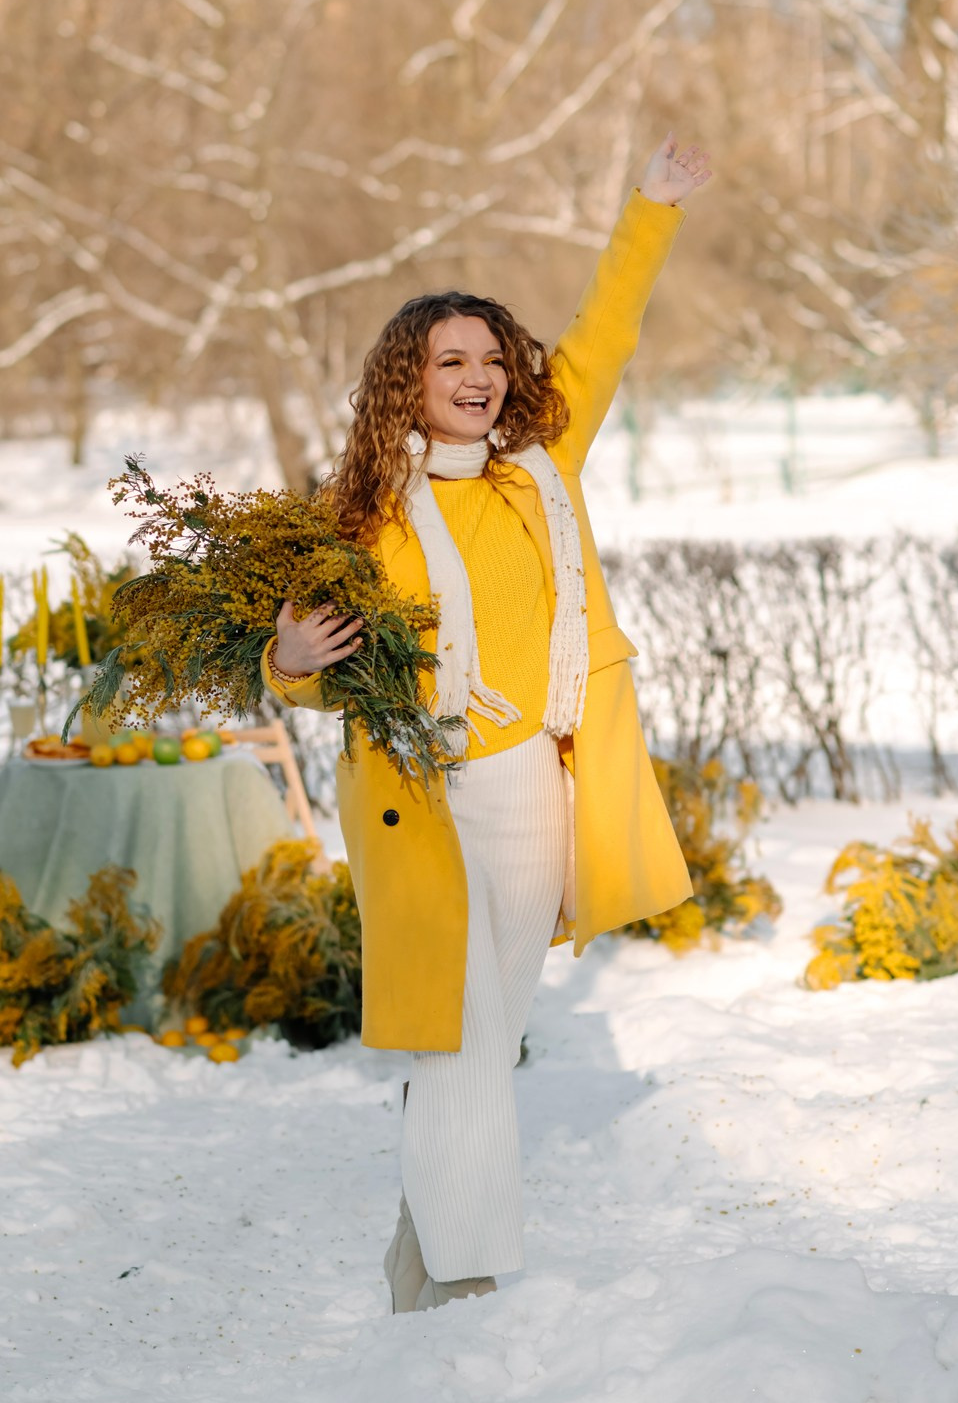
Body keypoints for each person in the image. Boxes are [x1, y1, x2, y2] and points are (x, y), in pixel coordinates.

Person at [263, 134, 712, 1312]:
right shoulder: (358, 513)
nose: (476, 374)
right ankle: (466, 1286)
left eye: (490, 358)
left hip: (531, 790)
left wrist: (649, 209)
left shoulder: (540, 472)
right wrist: (287, 660)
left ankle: (417, 1265)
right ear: (403, 382)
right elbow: (310, 664)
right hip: (421, 802)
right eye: (447, 358)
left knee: (482, 1042)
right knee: (459, 1047)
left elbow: (605, 336)